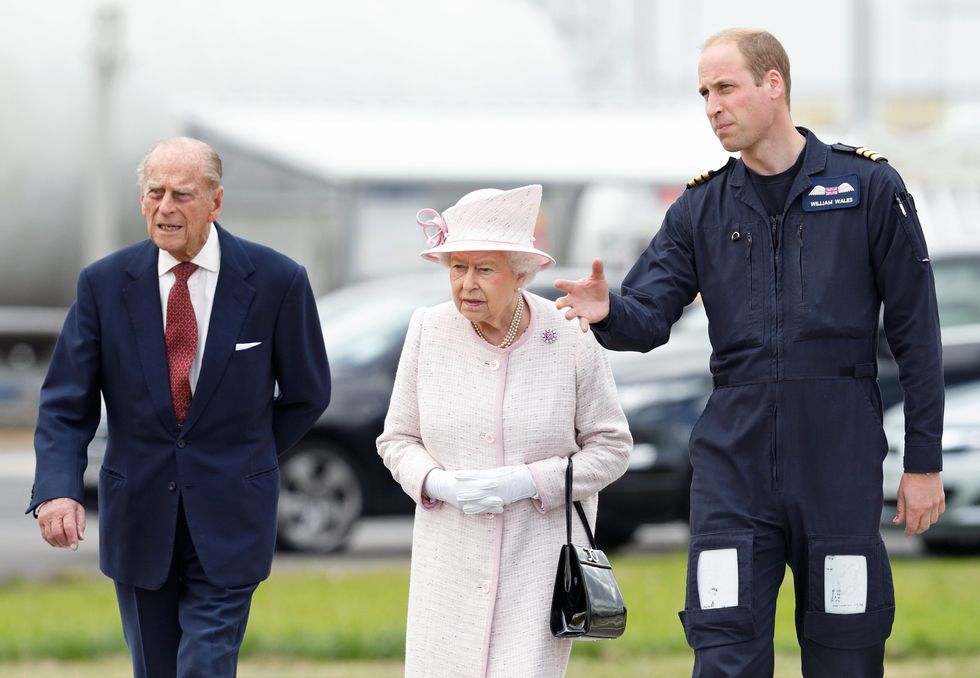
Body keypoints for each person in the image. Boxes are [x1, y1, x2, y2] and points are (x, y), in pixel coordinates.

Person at [556, 28, 945, 678]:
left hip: (838, 460)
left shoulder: (867, 189)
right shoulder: (701, 208)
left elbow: (917, 331)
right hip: (733, 467)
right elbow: (648, 317)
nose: (712, 105)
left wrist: (924, 461)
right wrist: (610, 313)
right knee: (724, 648)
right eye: (704, 92)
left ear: (774, 85)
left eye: (725, 87)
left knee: (846, 650)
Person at [28, 137, 331, 677]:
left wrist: (245, 455)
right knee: (156, 669)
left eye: (182, 195)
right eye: (154, 193)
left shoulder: (278, 281)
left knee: (205, 665)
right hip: (139, 514)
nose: (165, 207)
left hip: (232, 517)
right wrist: (57, 489)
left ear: (215, 202)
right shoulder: (103, 285)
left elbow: (308, 393)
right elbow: (65, 403)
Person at [377, 184, 631, 678]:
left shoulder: (569, 336)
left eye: (484, 269)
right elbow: (397, 439)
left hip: (534, 563)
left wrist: (527, 482)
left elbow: (612, 449)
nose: (467, 283)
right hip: (447, 563)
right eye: (458, 267)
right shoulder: (428, 329)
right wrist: (437, 483)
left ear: (521, 273)